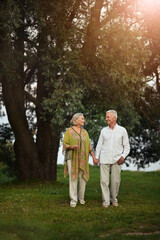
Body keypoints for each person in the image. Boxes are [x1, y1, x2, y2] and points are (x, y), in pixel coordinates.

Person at [96, 110, 130, 207]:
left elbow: (127, 146)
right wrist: (97, 157)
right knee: (104, 181)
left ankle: (113, 199)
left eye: (108, 117)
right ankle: (106, 201)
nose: (106, 119)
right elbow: (99, 145)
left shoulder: (122, 130)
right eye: (106, 117)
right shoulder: (103, 131)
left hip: (117, 159)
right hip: (104, 158)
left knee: (115, 181)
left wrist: (123, 157)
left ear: (114, 118)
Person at [63, 113, 98, 207]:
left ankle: (81, 197)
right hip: (72, 158)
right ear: (76, 120)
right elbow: (64, 145)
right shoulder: (69, 131)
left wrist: (94, 157)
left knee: (83, 178)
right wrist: (71, 146)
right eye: (82, 119)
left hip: (83, 159)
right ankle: (73, 199)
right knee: (73, 178)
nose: (84, 120)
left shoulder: (85, 132)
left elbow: (89, 145)